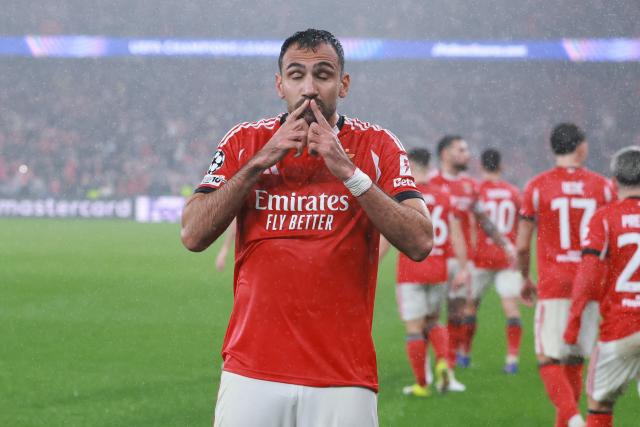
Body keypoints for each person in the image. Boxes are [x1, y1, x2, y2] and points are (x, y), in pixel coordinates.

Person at [180, 29, 433, 427]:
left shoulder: (377, 144)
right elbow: (192, 234)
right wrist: (261, 161)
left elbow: (420, 241)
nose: (310, 88)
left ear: (343, 84)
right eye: (296, 75)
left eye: (323, 74)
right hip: (252, 371)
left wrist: (348, 170)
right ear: (280, 84)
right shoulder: (247, 140)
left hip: (343, 377)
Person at [516, 123, 616, 427]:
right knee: (573, 359)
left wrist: (525, 277)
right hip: (591, 282)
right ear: (581, 147)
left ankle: (573, 419)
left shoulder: (537, 186)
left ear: (552, 147)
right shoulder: (603, 187)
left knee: (548, 358)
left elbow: (521, 245)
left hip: (554, 282)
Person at [380, 148, 469, 396]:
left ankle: (421, 384)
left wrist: (373, 262)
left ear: (410, 165)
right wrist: (463, 267)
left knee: (414, 328)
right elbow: (456, 234)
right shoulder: (444, 194)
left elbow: (388, 235)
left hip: (412, 269)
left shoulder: (405, 194)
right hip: (437, 268)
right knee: (433, 321)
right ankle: (443, 363)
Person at [563, 146, 640, 427]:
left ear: (614, 181)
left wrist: (574, 320)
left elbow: (588, 274)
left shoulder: (604, 218)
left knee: (599, 404)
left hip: (620, 327)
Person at [430, 136, 515, 369]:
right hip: (433, 257)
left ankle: (449, 361)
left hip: (460, 260)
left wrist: (505, 244)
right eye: (462, 150)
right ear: (446, 154)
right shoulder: (429, 183)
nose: (467, 154)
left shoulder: (470, 187)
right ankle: (438, 360)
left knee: (457, 312)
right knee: (432, 315)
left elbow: (484, 220)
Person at [473, 148, 525, 374]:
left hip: (481, 256)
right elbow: (524, 224)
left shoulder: (476, 192)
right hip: (507, 256)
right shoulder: (513, 192)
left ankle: (463, 354)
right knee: (511, 309)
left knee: (469, 306)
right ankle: (512, 358)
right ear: (501, 166)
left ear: (480, 166)